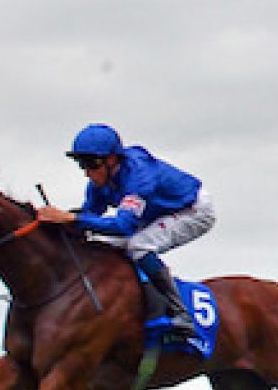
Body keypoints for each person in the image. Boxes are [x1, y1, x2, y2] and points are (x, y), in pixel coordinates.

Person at [36, 124, 214, 343]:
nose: (87, 172)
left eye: (91, 164)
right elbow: (91, 218)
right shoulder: (97, 185)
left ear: (112, 160)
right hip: (155, 213)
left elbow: (124, 227)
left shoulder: (139, 175)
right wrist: (61, 222)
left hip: (192, 209)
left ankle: (181, 314)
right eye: (81, 164)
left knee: (138, 245)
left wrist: (72, 218)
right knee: (101, 241)